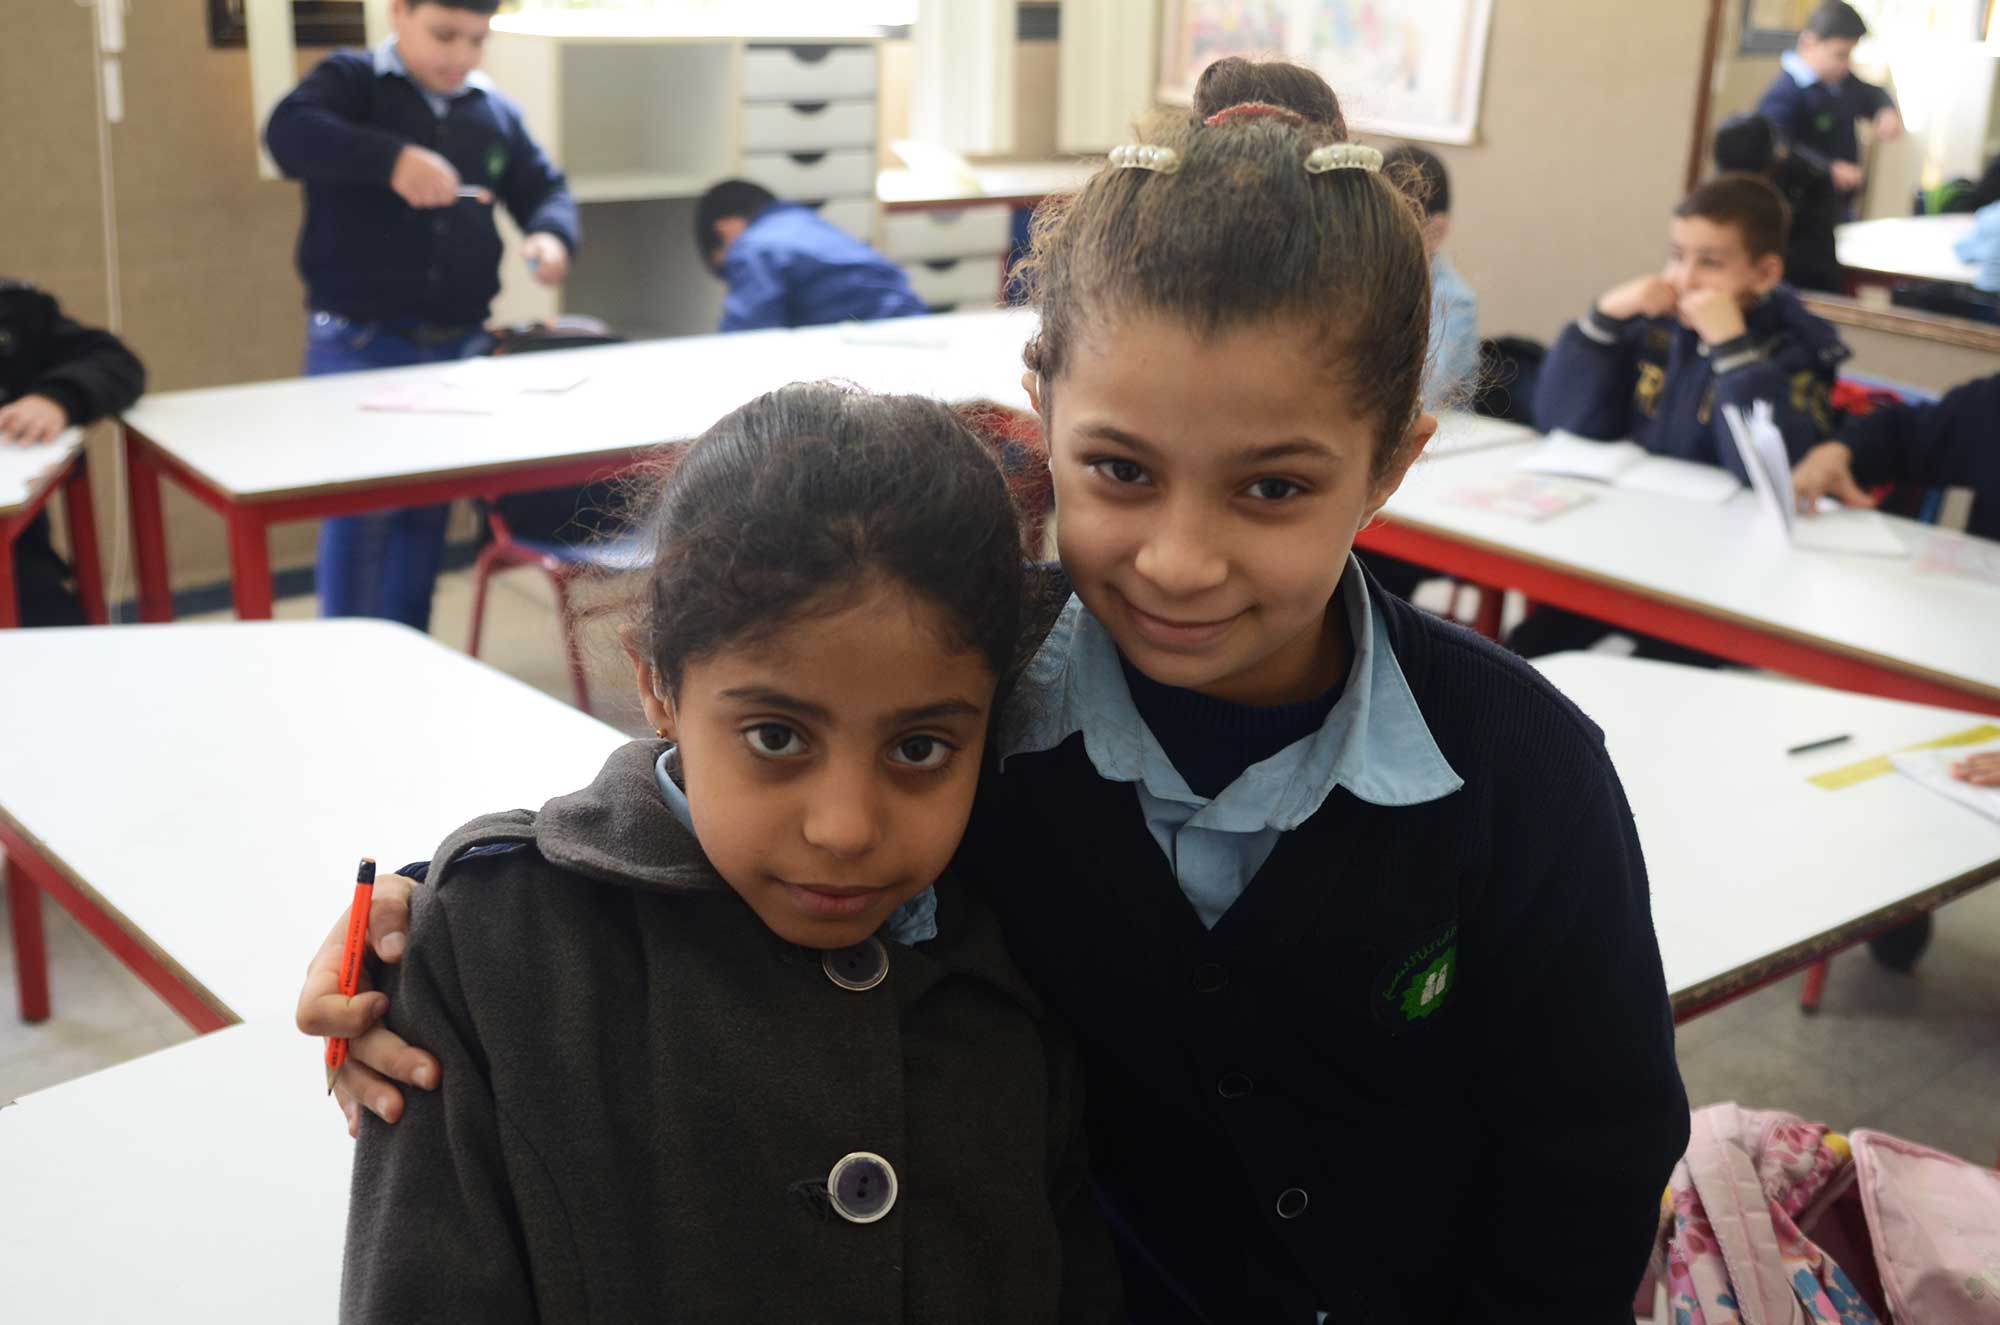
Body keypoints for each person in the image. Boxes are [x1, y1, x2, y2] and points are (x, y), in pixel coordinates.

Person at [305, 59, 1690, 1323]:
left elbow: (1594, 1160)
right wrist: (437, 916)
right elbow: (721, 781)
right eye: (1120, 471)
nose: (1181, 560)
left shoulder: (1524, 774)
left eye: (1274, 487)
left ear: (1389, 464)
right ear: (1044, 411)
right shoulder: (964, 692)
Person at [339, 383, 1121, 1319]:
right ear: (657, 683)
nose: (844, 827)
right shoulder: (492, 956)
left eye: (919, 748)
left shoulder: (1024, 940)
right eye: (778, 737)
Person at [264, 0, 578, 630]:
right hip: (360, 343)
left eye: (475, 40)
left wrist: (551, 236)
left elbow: (544, 188)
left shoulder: (490, 109)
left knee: (424, 516)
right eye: (444, 35)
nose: (459, 55)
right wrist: (392, 160)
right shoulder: (351, 80)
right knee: (359, 514)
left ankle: (409, 648)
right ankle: (346, 655)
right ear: (398, 13)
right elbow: (288, 132)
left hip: (456, 348)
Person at [0, 278, 145, 626]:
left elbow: (113, 360)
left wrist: (58, 397)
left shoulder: (15, 310)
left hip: (19, 566)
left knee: (68, 647)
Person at [696, 179, 928, 332]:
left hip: (869, 341)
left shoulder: (753, 247)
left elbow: (746, 335)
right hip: (913, 322)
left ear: (723, 229)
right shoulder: (806, 222)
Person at [1755, 1, 1902, 215]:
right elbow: (1779, 146)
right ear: (1809, 43)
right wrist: (1828, 169)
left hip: (1837, 202)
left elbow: (1871, 94)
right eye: (1840, 55)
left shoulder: (1840, 82)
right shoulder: (1784, 94)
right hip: (1802, 206)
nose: (1846, 64)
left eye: (1850, 55)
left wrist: (1885, 109)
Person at [1714, 111, 1844, 294]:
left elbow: (1814, 258)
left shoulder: (1812, 181)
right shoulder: (1721, 185)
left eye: (1753, 179)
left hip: (1802, 287)